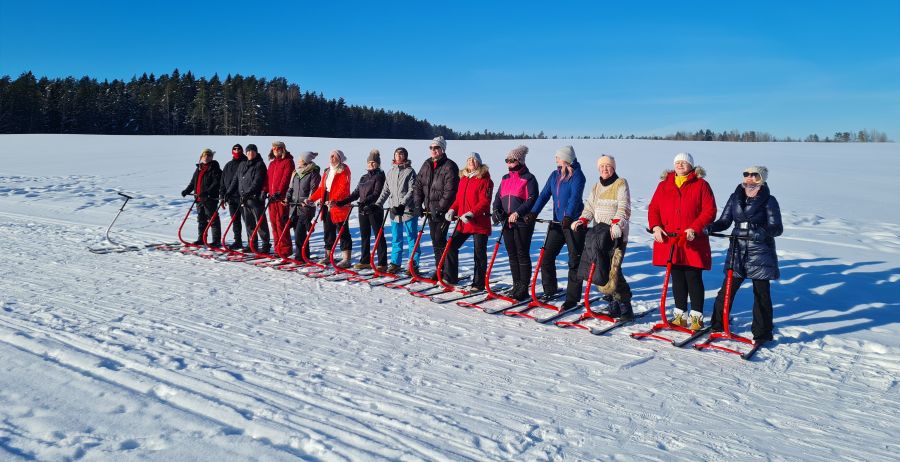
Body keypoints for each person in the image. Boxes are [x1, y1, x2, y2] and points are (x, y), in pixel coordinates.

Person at [706, 166, 782, 343]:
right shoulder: (735, 197)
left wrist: (762, 232)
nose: (749, 178)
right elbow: (725, 221)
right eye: (746, 174)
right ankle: (717, 323)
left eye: (754, 175)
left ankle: (762, 332)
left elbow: (777, 228)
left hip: (760, 251)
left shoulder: (769, 200)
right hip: (738, 249)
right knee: (727, 289)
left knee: (761, 293)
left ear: (761, 178)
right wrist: (711, 227)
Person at [648, 152, 716, 330]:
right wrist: (655, 227)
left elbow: (709, 210)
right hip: (671, 240)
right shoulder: (664, 185)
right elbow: (653, 208)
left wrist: (695, 227)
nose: (680, 165)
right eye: (677, 162)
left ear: (691, 166)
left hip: (692, 240)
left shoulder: (701, 185)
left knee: (693, 277)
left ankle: (696, 317)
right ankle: (679, 316)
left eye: (684, 163)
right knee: (677, 277)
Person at [525, 145, 587, 309]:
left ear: (566, 158)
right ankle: (550, 289)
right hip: (557, 223)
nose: (556, 159)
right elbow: (544, 194)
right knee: (547, 256)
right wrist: (533, 213)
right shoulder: (555, 175)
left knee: (574, 260)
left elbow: (575, 198)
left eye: (558, 157)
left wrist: (568, 215)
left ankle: (572, 298)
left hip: (573, 224)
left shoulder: (578, 176)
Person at [572, 155, 633, 319]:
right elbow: (590, 207)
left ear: (613, 168)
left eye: (608, 166)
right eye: (602, 167)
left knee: (615, 271)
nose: (605, 169)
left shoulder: (620, 183)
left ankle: (625, 304)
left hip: (616, 235)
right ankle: (613, 302)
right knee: (602, 269)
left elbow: (624, 207)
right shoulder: (597, 186)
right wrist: (583, 220)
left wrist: (616, 224)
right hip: (599, 236)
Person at [492, 145, 539, 301]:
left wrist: (518, 212)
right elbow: (498, 197)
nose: (509, 163)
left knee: (522, 253)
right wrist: (497, 210)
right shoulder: (505, 178)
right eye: (507, 160)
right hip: (507, 221)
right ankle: (516, 284)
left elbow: (532, 198)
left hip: (522, 222)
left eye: (512, 160)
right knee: (512, 254)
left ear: (519, 161)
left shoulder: (529, 178)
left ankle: (523, 288)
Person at [412, 136, 460, 280]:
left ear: (442, 149)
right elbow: (418, 185)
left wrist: (441, 207)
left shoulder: (450, 166)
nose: (433, 150)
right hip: (429, 210)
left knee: (440, 239)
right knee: (435, 240)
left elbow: (450, 190)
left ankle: (447, 271)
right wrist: (417, 204)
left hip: (442, 212)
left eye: (437, 148)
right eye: (431, 148)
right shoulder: (426, 164)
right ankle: (439, 269)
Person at [444, 152, 493, 290]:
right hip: (463, 222)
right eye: (469, 159)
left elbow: (485, 202)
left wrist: (471, 213)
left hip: (479, 222)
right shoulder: (464, 179)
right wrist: (452, 210)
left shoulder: (485, 180)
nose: (471, 161)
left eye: (474, 159)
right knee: (451, 246)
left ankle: (478, 283)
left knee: (479, 254)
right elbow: (459, 199)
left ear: (479, 162)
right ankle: (450, 277)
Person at [339, 149, 387, 270]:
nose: (371, 164)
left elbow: (377, 193)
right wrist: (343, 202)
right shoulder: (363, 177)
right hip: (363, 210)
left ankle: (382, 263)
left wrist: (365, 202)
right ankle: (365, 260)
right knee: (364, 236)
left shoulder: (380, 176)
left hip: (374, 209)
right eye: (369, 162)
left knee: (378, 235)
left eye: (374, 162)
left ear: (378, 163)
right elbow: (355, 193)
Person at [376, 147, 419, 274]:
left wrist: (402, 204)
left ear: (405, 156)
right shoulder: (390, 172)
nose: (398, 156)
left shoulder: (410, 171)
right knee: (396, 238)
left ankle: (413, 264)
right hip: (394, 211)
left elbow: (412, 190)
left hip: (407, 211)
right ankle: (395, 263)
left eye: (401, 154)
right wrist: (378, 204)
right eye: (396, 154)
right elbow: (385, 190)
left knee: (412, 238)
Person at [308, 150, 353, 268]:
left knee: (343, 231)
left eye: (334, 156)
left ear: (340, 158)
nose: (332, 158)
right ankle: (328, 255)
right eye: (331, 156)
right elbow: (322, 188)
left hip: (339, 205)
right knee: (328, 231)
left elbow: (343, 188)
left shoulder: (344, 170)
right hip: (326, 204)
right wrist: (312, 199)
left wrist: (335, 200)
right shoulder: (327, 171)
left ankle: (346, 258)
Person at [181, 148, 222, 246]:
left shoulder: (214, 168)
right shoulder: (199, 168)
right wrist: (187, 190)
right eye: (205, 155)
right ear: (201, 157)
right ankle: (201, 239)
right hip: (199, 198)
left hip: (210, 198)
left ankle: (216, 241)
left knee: (213, 219)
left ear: (212, 157)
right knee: (201, 219)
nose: (206, 157)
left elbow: (216, 183)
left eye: (209, 155)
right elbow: (193, 182)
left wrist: (207, 192)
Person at [236, 144, 270, 253]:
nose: (250, 153)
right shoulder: (243, 164)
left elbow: (257, 181)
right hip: (244, 198)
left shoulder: (259, 164)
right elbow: (238, 179)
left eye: (253, 151)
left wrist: (248, 192)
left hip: (255, 198)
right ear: (246, 153)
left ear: (256, 153)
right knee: (249, 223)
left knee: (260, 222)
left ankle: (265, 244)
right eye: (249, 151)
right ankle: (252, 244)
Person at [288, 151, 321, 261]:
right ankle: (303, 254)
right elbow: (291, 187)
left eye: (300, 160)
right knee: (299, 233)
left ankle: (300, 257)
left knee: (299, 233)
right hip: (294, 207)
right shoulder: (296, 173)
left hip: (306, 207)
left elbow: (314, 190)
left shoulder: (313, 174)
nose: (298, 161)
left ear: (305, 161)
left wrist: (308, 200)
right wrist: (288, 197)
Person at [267, 141, 295, 257]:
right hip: (272, 198)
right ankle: (277, 248)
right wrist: (266, 191)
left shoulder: (288, 161)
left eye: (278, 148)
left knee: (281, 223)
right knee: (273, 223)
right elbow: (268, 179)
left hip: (281, 198)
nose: (275, 150)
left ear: (282, 149)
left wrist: (280, 192)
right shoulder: (272, 164)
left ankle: (285, 249)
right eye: (273, 148)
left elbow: (286, 177)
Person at [219, 143, 247, 250]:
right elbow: (222, 183)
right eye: (234, 149)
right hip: (231, 198)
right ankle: (237, 241)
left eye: (239, 149)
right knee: (235, 221)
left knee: (248, 221)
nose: (237, 150)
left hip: (243, 198)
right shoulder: (228, 165)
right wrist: (222, 196)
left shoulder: (245, 163)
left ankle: (251, 242)